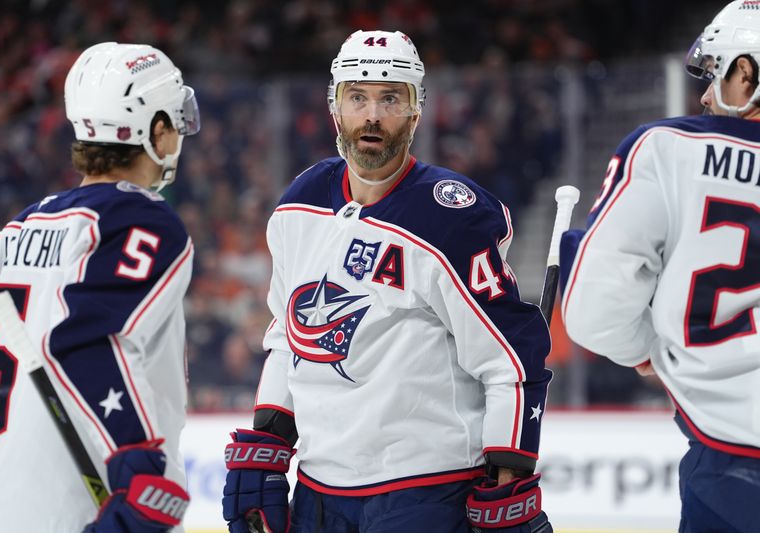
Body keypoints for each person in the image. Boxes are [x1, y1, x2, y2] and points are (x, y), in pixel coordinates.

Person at [222, 30, 552, 533]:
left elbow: (509, 358)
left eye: (390, 98)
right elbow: (287, 339)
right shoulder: (300, 202)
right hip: (319, 488)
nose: (372, 115)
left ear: (416, 111)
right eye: (358, 97)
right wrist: (268, 443)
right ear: (335, 108)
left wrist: (510, 470)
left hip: (424, 490)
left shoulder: (451, 215)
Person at [0, 42, 200, 532]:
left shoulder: (18, 230)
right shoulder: (140, 221)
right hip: (71, 505)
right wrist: (137, 463)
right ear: (155, 129)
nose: (178, 135)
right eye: (174, 121)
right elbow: (89, 342)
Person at [561, 2, 760, 531]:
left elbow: (593, 307)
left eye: (716, 73)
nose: (704, 94)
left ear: (748, 72)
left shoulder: (668, 149)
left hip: (732, 459)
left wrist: (646, 349)